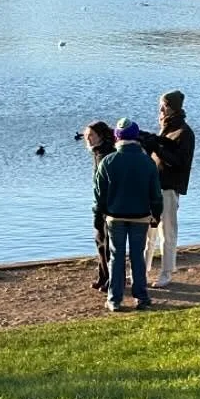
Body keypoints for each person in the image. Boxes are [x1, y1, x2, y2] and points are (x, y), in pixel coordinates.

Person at [93, 118, 164, 311]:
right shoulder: (147, 162)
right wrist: (156, 216)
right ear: (136, 137)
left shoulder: (108, 161)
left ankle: (114, 299)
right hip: (140, 216)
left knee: (116, 257)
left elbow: (99, 195)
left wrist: (98, 218)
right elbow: (156, 194)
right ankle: (141, 297)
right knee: (137, 256)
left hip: (115, 216)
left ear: (117, 137)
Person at [140, 89, 196, 285]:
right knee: (148, 232)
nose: (161, 110)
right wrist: (148, 141)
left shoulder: (184, 133)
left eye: (164, 106)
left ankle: (166, 273)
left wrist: (156, 147)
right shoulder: (166, 129)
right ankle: (142, 271)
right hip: (153, 187)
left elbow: (178, 162)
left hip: (169, 189)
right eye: (161, 106)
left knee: (167, 232)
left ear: (173, 108)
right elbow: (158, 152)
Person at [82, 120, 116, 291]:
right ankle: (104, 276)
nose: (88, 139)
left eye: (91, 135)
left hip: (108, 206)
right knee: (101, 241)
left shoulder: (105, 154)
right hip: (103, 203)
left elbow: (105, 186)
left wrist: (99, 210)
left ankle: (111, 278)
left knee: (107, 242)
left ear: (101, 136)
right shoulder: (97, 152)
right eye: (86, 136)